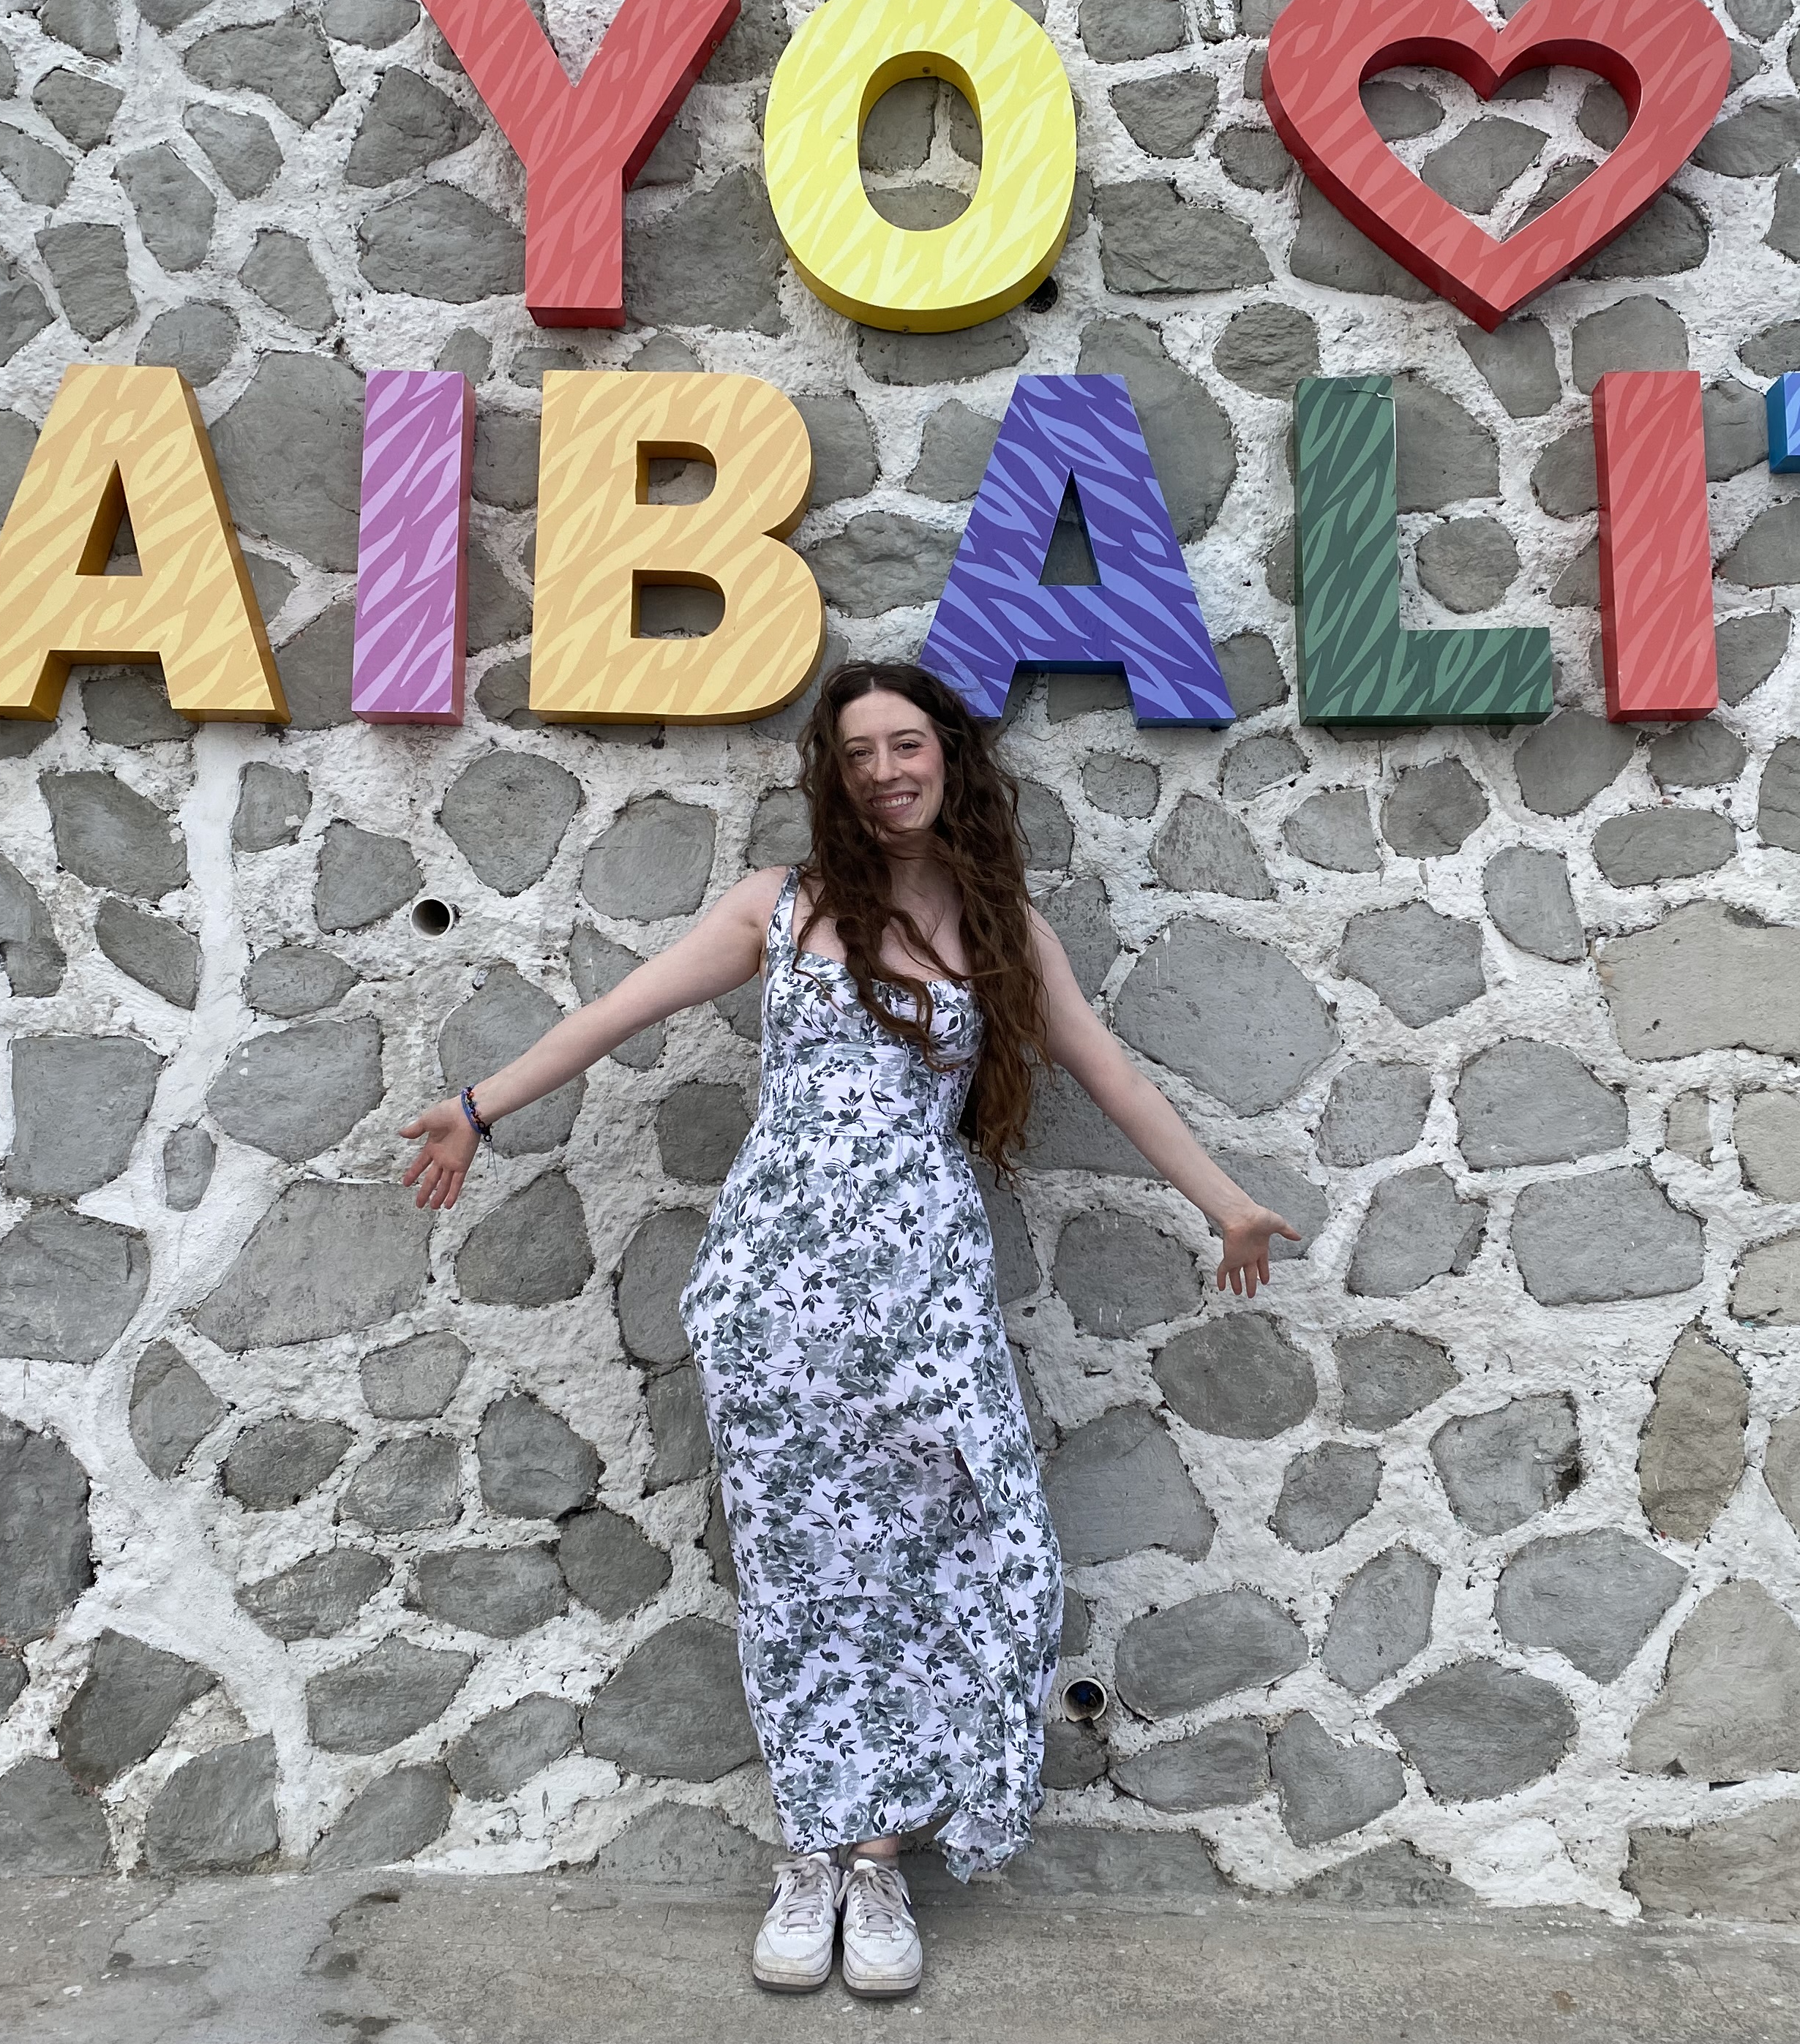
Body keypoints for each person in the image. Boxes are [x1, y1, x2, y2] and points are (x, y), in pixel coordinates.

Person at [400, 659, 1296, 1999]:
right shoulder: (781, 906)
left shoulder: (1003, 932)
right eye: (860, 751)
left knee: (981, 1557)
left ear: (949, 758)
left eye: (907, 744)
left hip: (925, 1298)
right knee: (807, 1576)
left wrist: (1227, 1203)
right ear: (836, 774)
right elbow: (616, 1012)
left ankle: (884, 1849)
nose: (886, 768)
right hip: (776, 1295)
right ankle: (831, 1859)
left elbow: (1110, 1074)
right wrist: (477, 1108)